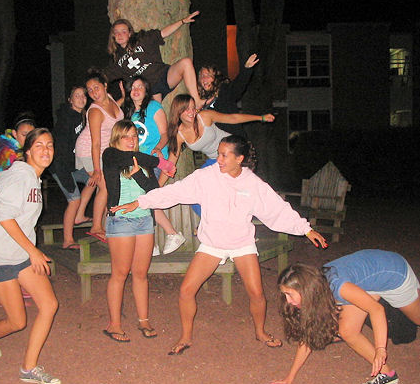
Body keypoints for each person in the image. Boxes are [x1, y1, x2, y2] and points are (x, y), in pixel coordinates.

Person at [111, 135, 327, 355]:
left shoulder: (252, 183)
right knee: (186, 290)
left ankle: (260, 332)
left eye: (224, 155)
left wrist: (305, 229)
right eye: (218, 154)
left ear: (239, 159)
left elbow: (276, 208)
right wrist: (140, 202)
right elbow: (174, 192)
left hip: (241, 243)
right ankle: (185, 337)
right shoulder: (206, 177)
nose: (219, 159)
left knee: (256, 293)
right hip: (212, 244)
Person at [273, 250, 420, 384]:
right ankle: (387, 374)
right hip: (367, 281)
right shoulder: (317, 289)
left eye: (290, 294)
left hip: (394, 273)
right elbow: (308, 335)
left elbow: (376, 310)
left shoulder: (338, 288)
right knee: (347, 331)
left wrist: (381, 349)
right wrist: (290, 376)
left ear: (306, 290)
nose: (288, 301)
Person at [0, 128, 61, 384]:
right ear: (27, 151)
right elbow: (5, 218)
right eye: (39, 145)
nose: (45, 150)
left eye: (49, 145)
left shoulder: (33, 178)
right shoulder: (20, 177)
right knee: (17, 321)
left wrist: (30, 251)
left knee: (49, 305)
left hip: (19, 254)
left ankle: (28, 369)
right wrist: (34, 251)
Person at [100, 121, 176, 342]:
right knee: (120, 273)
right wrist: (162, 162)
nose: (131, 140)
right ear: (116, 139)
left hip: (144, 220)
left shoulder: (141, 161)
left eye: (134, 136)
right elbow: (131, 158)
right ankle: (114, 324)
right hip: (121, 220)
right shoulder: (110, 155)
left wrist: (138, 175)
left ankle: (144, 320)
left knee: (141, 274)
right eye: (126, 136)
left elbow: (154, 192)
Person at [167, 94, 275, 216]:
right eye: (187, 109)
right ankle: (213, 221)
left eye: (193, 108)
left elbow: (233, 118)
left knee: (230, 191)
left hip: (232, 154)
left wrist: (260, 118)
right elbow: (171, 162)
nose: (192, 112)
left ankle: (263, 207)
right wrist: (157, 186)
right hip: (215, 161)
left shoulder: (204, 116)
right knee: (195, 191)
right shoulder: (179, 135)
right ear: (178, 111)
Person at [122, 77, 185, 255]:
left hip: (154, 160)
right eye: (132, 87)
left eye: (140, 87)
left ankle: (170, 234)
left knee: (146, 197)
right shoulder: (129, 112)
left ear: (146, 90)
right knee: (143, 198)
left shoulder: (154, 107)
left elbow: (165, 134)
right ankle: (152, 243)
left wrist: (157, 148)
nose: (136, 90)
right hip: (137, 161)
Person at [105, 13, 203, 107]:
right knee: (155, 111)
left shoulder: (142, 39)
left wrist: (182, 21)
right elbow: (104, 77)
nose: (120, 35)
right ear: (113, 36)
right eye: (116, 32)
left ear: (130, 33)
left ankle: (197, 101)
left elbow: (163, 33)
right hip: (148, 90)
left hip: (163, 76)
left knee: (186, 63)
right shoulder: (116, 61)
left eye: (123, 31)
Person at [74, 71, 125, 242]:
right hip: (89, 150)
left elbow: (114, 113)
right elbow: (95, 143)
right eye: (90, 90)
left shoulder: (109, 98)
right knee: (104, 187)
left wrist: (124, 97)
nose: (94, 93)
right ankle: (96, 227)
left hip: (104, 151)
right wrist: (96, 170)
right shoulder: (95, 112)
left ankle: (102, 224)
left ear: (105, 86)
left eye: (96, 88)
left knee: (106, 186)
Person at [50, 86, 95, 250]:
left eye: (83, 95)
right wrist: (66, 178)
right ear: (70, 100)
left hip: (74, 165)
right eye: (77, 95)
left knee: (94, 180)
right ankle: (68, 240)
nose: (81, 98)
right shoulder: (66, 119)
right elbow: (60, 151)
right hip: (60, 166)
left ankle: (80, 215)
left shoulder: (82, 116)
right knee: (74, 199)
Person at [0, 112, 36, 215]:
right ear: (15, 134)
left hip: (2, 194)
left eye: (31, 135)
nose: (28, 139)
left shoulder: (23, 150)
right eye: (24, 135)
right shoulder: (9, 153)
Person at [197, 53, 259, 137]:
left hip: (233, 138)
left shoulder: (224, 91)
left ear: (215, 77)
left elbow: (237, 87)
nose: (204, 79)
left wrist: (246, 69)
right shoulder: (199, 99)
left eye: (208, 75)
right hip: (215, 142)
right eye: (202, 76)